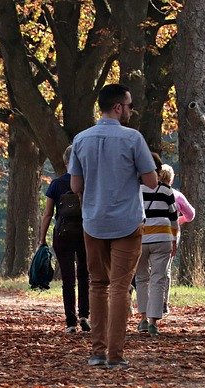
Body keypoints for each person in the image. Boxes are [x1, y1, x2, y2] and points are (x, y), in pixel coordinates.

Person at [69, 83, 158, 369]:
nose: (131, 110)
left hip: (93, 221)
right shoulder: (133, 139)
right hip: (127, 221)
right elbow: (152, 181)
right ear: (118, 107)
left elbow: (75, 185)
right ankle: (116, 355)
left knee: (97, 284)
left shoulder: (81, 139)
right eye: (130, 105)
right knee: (120, 287)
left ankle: (97, 352)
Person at [39, 145, 90, 334]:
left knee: (68, 279)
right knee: (84, 275)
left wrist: (42, 239)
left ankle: (70, 322)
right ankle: (84, 315)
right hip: (85, 233)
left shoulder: (56, 184)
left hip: (63, 234)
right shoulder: (87, 182)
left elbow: (47, 214)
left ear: (65, 162)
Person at [135, 162, 179, 336]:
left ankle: (143, 319)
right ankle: (153, 321)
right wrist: (174, 239)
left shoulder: (135, 190)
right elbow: (174, 217)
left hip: (140, 238)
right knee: (158, 279)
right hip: (162, 238)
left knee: (141, 278)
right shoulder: (166, 190)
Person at [160, 165, 195, 314]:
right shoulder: (177, 196)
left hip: (150, 233)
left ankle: (150, 301)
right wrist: (180, 220)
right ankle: (164, 303)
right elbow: (191, 214)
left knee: (150, 268)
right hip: (172, 233)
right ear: (172, 179)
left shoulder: (149, 193)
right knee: (166, 268)